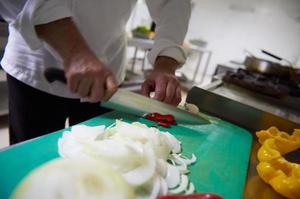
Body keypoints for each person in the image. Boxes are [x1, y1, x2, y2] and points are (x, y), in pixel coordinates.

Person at [0, 0, 191, 144]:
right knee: (31, 160)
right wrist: (75, 53)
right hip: (35, 66)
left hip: (108, 78)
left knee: (98, 154)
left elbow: (172, 3)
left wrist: (166, 61)